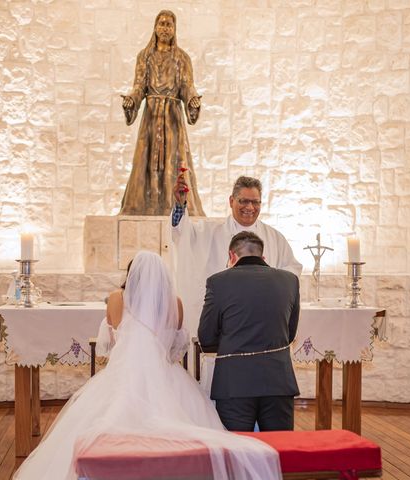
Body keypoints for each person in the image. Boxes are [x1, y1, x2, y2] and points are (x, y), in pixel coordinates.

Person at [13, 251, 281, 480]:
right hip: (165, 374)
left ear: (132, 276)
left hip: (122, 374)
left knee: (102, 420)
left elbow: (108, 344)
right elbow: (177, 348)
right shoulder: (175, 303)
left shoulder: (116, 299)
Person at [171, 174, 302, 344]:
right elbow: (183, 233)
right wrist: (180, 206)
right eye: (243, 201)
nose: (250, 207)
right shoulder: (210, 231)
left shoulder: (275, 238)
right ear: (231, 201)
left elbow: (291, 273)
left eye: (255, 202)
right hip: (225, 324)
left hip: (262, 326)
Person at [198, 232, 300, 431]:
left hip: (234, 382)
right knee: (281, 449)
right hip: (278, 380)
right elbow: (290, 333)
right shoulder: (289, 280)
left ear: (232, 256)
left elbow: (206, 337)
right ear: (263, 257)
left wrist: (232, 342)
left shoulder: (218, 282)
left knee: (238, 451)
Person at [119, 10, 205, 216]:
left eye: (169, 25)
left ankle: (172, 205)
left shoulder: (182, 58)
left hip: (173, 118)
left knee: (174, 162)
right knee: (144, 161)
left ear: (174, 30)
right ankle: (142, 205)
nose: (165, 28)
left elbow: (187, 86)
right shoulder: (145, 56)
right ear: (155, 27)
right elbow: (139, 86)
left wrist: (192, 100)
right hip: (151, 117)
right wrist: (132, 100)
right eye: (162, 24)